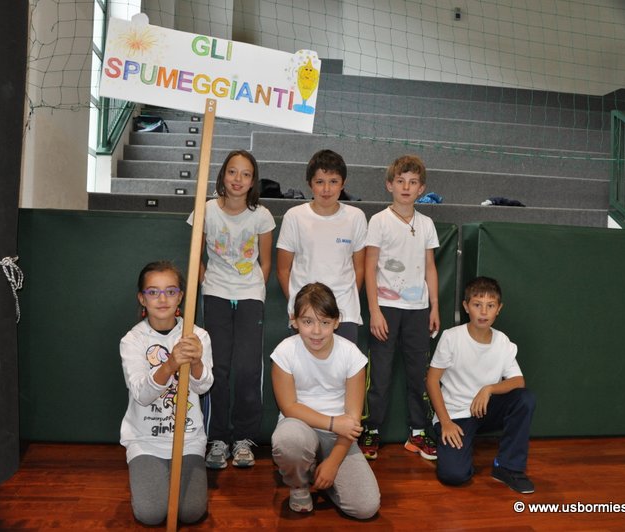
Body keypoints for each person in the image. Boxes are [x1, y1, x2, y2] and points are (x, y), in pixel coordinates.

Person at [187, 150, 275, 470]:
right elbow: (195, 254)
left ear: (253, 181)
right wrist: (206, 281)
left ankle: (244, 439)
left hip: (250, 296)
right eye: (232, 172)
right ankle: (218, 438)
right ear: (223, 175)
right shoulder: (206, 210)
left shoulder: (261, 215)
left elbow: (266, 262)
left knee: (248, 369)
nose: (238, 179)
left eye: (246, 174)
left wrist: (254, 289)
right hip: (216, 294)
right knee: (218, 368)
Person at [270, 282, 380, 519]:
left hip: (339, 437)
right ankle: (299, 485)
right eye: (308, 321)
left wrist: (333, 463)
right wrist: (332, 422)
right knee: (287, 441)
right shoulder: (284, 352)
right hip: (300, 426)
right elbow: (289, 407)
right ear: (294, 321)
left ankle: (319, 472)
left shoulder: (351, 355)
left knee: (366, 508)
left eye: (325, 322)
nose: (316, 331)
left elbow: (351, 423)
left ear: (337, 322)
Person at [119, 261, 213, 525]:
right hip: (146, 440)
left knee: (191, 513)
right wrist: (170, 364)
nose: (162, 299)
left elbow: (204, 386)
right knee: (150, 515)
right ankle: (149, 477)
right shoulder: (133, 340)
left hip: (188, 438)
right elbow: (142, 394)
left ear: (181, 296)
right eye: (153, 292)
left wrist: (196, 361)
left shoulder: (197, 336)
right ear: (142, 298)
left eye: (170, 291)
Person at [360, 155, 441, 462]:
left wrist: (434, 307)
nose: (406, 187)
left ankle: (418, 432)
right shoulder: (379, 221)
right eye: (400, 181)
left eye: (413, 182)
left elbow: (430, 267)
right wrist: (374, 311)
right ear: (389, 185)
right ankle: (371, 430)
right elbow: (370, 267)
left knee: (418, 374)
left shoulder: (426, 224)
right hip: (386, 309)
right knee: (379, 375)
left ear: (421, 189)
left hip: (418, 310)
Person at [426, 276, 536, 494]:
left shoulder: (502, 341)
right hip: (455, 415)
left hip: (485, 410)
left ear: (499, 309)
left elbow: (518, 381)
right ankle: (444, 438)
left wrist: (489, 389)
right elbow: (431, 380)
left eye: (490, 306)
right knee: (454, 475)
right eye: (477, 305)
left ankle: (507, 468)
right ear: (466, 306)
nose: (484, 312)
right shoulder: (451, 338)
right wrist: (446, 422)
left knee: (525, 398)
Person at [276, 149, 368, 344]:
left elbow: (360, 268)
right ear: (310, 184)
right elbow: (283, 270)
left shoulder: (356, 217)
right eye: (320, 182)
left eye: (333, 181)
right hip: (305, 313)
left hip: (345, 313)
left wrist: (346, 301)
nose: (326, 189)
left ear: (343, 183)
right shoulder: (294, 216)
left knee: (344, 364)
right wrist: (298, 306)